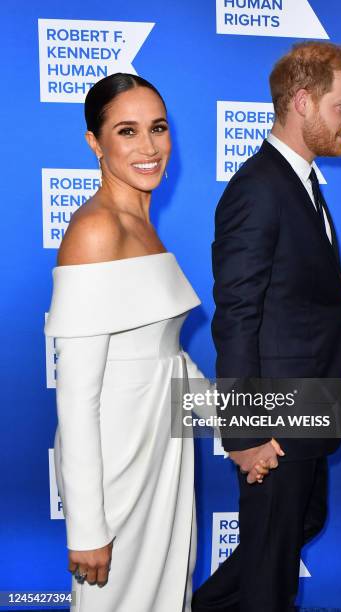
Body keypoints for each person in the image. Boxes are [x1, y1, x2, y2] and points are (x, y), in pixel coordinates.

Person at [192, 41, 341, 612]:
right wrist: (244, 435)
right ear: (302, 101)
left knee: (290, 532)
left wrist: (339, 305)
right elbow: (236, 316)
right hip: (274, 419)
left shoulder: (301, 183)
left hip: (307, 407)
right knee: (270, 574)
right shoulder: (258, 189)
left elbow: (285, 289)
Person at [44, 73, 209, 612]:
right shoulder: (95, 231)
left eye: (157, 129)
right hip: (119, 467)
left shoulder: (142, 224)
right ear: (95, 143)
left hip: (162, 451)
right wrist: (87, 526)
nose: (149, 147)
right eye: (127, 131)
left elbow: (167, 362)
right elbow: (75, 396)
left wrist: (245, 425)